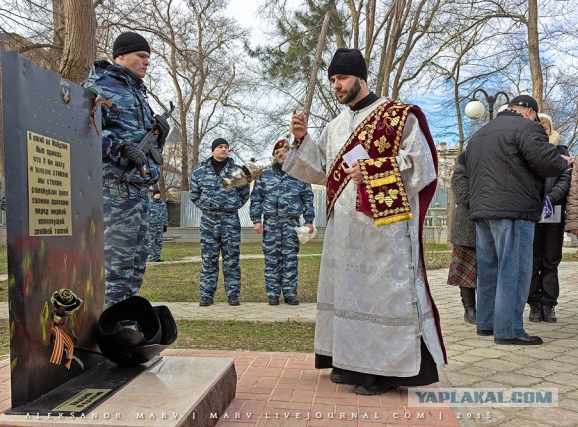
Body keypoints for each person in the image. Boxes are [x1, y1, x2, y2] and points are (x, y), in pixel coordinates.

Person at [286, 48, 446, 395]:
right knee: (348, 295)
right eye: (331, 80)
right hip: (343, 232)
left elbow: (422, 165)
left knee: (380, 297)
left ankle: (386, 372)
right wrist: (301, 140)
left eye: (341, 78)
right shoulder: (335, 126)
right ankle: (349, 363)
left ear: (360, 77)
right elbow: (320, 171)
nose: (336, 85)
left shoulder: (399, 116)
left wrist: (375, 169)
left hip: (383, 230)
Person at [466, 95, 573, 345]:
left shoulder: (480, 133)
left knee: (490, 268)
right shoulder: (527, 128)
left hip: (482, 210)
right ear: (528, 112)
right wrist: (563, 162)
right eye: (536, 116)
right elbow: (546, 162)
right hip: (514, 209)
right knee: (513, 270)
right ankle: (509, 330)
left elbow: (467, 168)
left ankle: (487, 323)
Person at [82, 31, 170, 307]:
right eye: (141, 56)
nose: (147, 62)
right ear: (121, 56)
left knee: (135, 266)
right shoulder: (100, 86)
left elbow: (142, 144)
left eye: (148, 58)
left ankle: (122, 326)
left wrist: (159, 138)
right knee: (116, 268)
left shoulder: (137, 93)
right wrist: (118, 148)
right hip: (113, 190)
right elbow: (85, 131)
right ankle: (106, 331)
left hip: (137, 191)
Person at [250, 139, 315, 306]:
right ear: (274, 156)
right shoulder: (264, 174)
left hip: (291, 223)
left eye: (286, 152)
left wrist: (309, 221)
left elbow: (308, 198)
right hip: (271, 223)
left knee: (290, 260)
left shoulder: (299, 174)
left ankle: (290, 293)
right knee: (272, 260)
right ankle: (272, 294)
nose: (283, 155)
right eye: (279, 153)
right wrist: (256, 220)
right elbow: (256, 198)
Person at [189, 138, 250, 306]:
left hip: (230, 220)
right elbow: (194, 195)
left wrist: (233, 205)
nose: (224, 149)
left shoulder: (237, 172)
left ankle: (233, 295)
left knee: (232, 259)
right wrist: (206, 205)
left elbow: (244, 194)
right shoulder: (199, 172)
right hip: (209, 220)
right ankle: (206, 295)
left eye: (226, 147)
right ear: (213, 150)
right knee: (209, 259)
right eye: (220, 147)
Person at [527, 113, 571, 323]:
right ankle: (534, 303)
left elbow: (565, 177)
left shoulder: (561, 152)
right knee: (532, 260)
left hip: (554, 211)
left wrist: (552, 198)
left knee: (550, 260)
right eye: (539, 126)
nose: (543, 129)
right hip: (532, 211)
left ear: (551, 129)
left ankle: (549, 304)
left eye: (546, 126)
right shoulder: (528, 150)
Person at [447, 151, 477, 324]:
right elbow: (464, 196)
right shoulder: (461, 171)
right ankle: (470, 309)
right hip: (466, 228)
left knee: (482, 271)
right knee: (466, 271)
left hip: (482, 226)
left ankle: (483, 307)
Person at [147, 189, 169, 262]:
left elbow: (165, 214)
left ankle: (157, 257)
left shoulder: (162, 204)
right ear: (154, 195)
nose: (158, 195)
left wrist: (165, 225)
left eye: (159, 193)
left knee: (159, 242)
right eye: (156, 193)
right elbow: (146, 215)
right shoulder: (149, 203)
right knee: (151, 242)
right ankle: (152, 257)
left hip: (160, 225)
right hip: (151, 226)